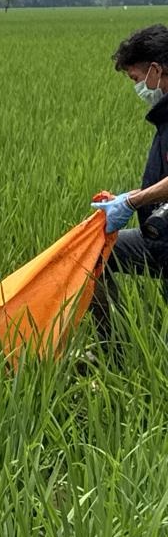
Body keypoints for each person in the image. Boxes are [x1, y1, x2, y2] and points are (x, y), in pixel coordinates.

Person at [90, 24, 168, 345]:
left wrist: (133, 203)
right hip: (160, 236)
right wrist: (131, 198)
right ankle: (114, 351)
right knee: (95, 253)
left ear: (155, 69)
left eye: (136, 79)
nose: (138, 88)